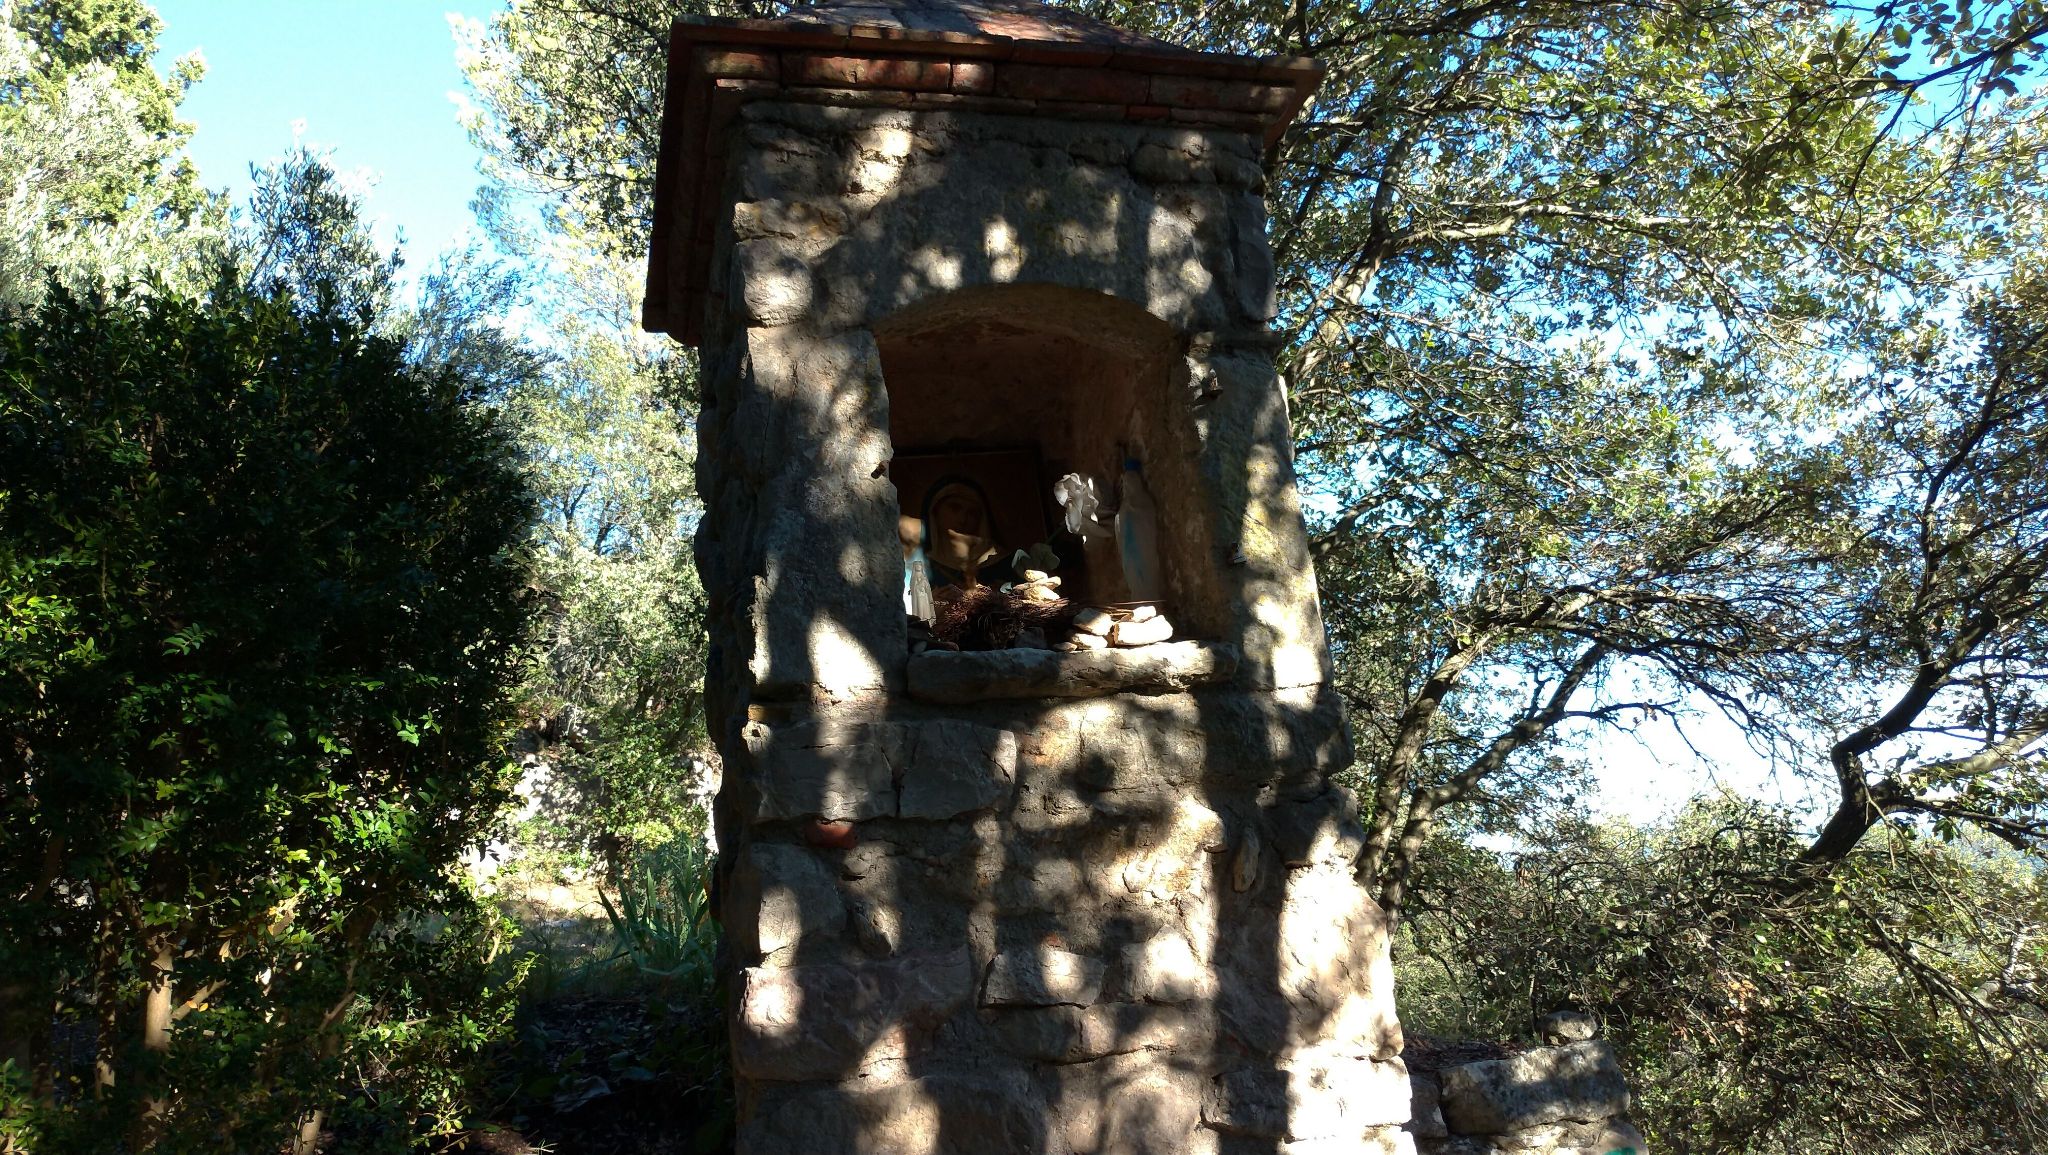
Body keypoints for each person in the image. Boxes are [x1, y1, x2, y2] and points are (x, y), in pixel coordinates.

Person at [900, 476, 1007, 618]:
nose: (963, 519)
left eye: (972, 513)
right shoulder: (913, 563)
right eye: (954, 508)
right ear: (935, 510)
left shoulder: (1003, 562)